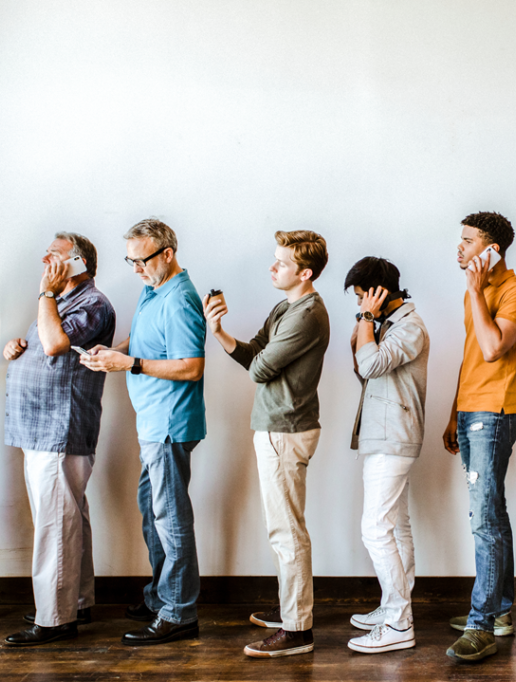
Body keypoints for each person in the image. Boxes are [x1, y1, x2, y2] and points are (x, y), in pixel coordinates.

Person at [204, 230, 330, 658]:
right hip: (276, 427)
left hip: (285, 431)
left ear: (305, 272)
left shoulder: (307, 315)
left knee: (287, 531)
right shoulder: (286, 306)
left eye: (281, 263)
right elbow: (255, 351)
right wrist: (218, 330)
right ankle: (291, 612)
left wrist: (252, 355)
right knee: (283, 528)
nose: (272, 268)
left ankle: (298, 630)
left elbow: (259, 369)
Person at [81, 218, 206, 646]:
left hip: (170, 424)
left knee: (171, 519)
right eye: (130, 260)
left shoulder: (180, 298)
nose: (134, 268)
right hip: (151, 422)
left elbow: (191, 367)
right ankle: (160, 596)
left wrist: (129, 365)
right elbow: (141, 341)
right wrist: (111, 353)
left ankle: (179, 612)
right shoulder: (152, 289)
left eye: (141, 260)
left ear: (166, 254)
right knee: (154, 512)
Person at [2, 233, 115, 646]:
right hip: (41, 428)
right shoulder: (59, 300)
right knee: (69, 518)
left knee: (56, 524)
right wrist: (19, 347)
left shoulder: (93, 303)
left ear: (79, 262)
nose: (45, 257)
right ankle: (77, 602)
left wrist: (44, 296)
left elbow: (54, 344)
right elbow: (44, 345)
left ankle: (55, 617)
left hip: (59, 429)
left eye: (55, 253)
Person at [443, 211, 516, 662]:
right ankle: (498, 612)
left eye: (468, 241)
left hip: (496, 412)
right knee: (492, 513)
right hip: (472, 409)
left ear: (492, 248)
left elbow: (494, 346)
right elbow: (469, 355)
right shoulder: (476, 292)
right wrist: (453, 412)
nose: (459, 248)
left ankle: (482, 625)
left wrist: (476, 292)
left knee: (484, 518)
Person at [341, 257, 429, 655]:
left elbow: (371, 363)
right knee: (395, 525)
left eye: (362, 295)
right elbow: (363, 368)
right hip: (384, 435)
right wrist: (368, 322)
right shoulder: (387, 325)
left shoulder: (409, 326)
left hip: (394, 437)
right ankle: (397, 606)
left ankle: (398, 621)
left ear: (378, 292)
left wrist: (365, 318)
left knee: (375, 529)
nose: (359, 304)